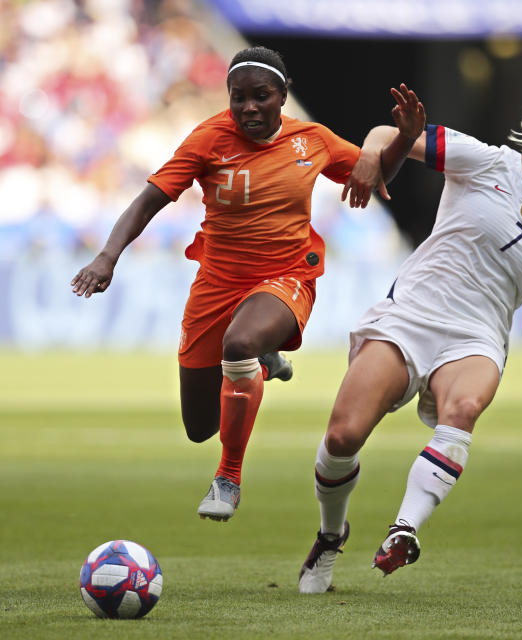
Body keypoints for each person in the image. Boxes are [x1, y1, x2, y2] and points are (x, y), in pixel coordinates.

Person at [297, 85, 522, 593]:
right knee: (341, 437)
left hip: (477, 336)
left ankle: (405, 528)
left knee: (463, 408)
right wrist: (371, 158)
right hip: (413, 315)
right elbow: (386, 133)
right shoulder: (487, 162)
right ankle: (331, 535)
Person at [72, 46, 376, 522]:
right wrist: (108, 256)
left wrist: (391, 149)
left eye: (261, 96)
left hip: (287, 273)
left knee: (240, 341)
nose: (249, 107)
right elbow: (149, 200)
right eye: (239, 98)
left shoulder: (312, 141)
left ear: (283, 96)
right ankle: (260, 359)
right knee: (199, 426)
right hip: (217, 284)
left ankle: (228, 477)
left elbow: (371, 172)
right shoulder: (208, 138)